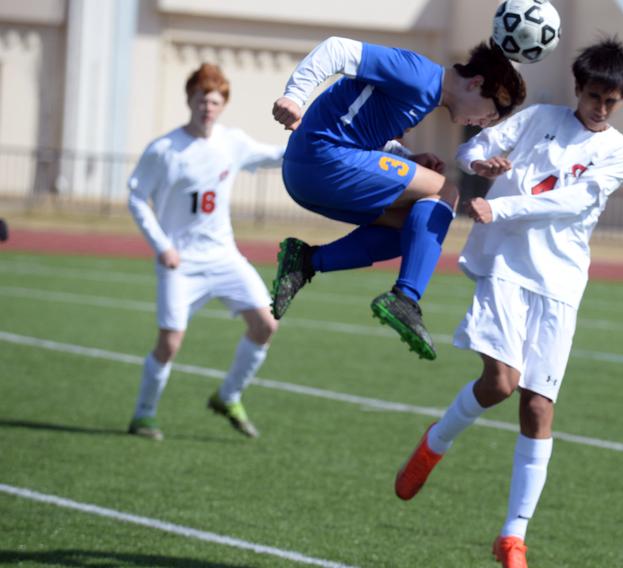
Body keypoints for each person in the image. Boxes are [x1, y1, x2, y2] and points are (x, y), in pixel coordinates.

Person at [394, 38, 623, 567]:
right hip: (506, 268)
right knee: (501, 384)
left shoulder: (622, 151)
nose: (600, 108)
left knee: (537, 406)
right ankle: (435, 442)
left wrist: (500, 208)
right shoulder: (538, 119)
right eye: (594, 95)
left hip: (560, 283)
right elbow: (470, 147)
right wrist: (483, 162)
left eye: (611, 101)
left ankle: (512, 536)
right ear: (579, 89)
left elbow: (573, 200)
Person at [269, 36, 526, 360]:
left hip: (312, 172)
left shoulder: (426, 96)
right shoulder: (419, 74)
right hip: (320, 160)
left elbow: (358, 131)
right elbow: (337, 48)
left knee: (415, 228)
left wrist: (408, 157)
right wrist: (294, 96)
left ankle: (306, 261)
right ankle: (405, 298)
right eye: (489, 115)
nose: (482, 124)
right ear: (476, 83)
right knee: (446, 192)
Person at [126, 63, 284, 441]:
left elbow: (276, 155)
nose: (207, 107)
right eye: (201, 99)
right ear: (189, 100)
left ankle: (228, 396)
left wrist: (319, 144)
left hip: (223, 256)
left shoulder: (232, 142)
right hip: (179, 261)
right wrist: (162, 246)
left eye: (214, 101)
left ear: (223, 104)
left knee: (266, 324)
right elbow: (135, 195)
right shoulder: (164, 148)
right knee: (170, 343)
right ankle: (143, 415)